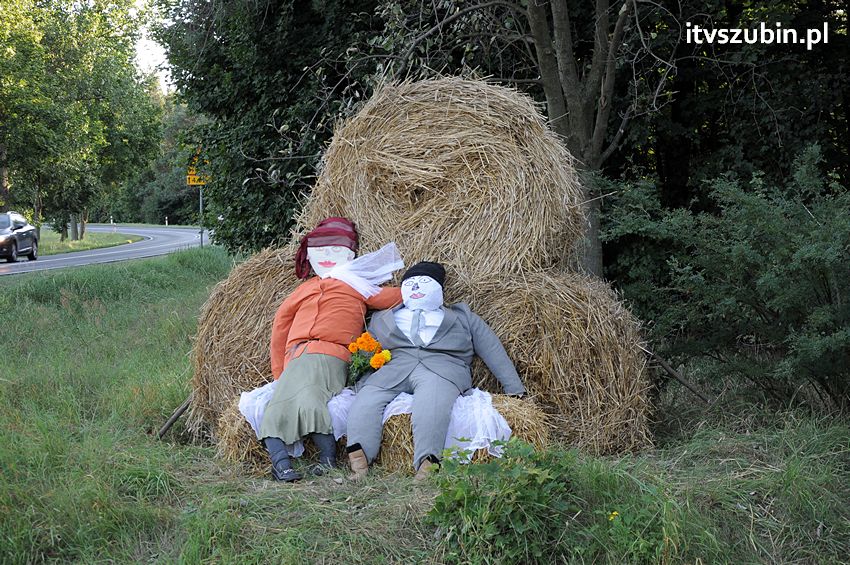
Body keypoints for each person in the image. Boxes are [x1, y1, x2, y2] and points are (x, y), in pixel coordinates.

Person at [345, 261, 526, 481]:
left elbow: (491, 348)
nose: (417, 289)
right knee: (366, 401)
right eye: (411, 284)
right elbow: (366, 352)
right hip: (395, 367)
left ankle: (426, 465)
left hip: (442, 368)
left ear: (439, 289)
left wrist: (513, 387)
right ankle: (359, 462)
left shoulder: (462, 317)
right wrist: (360, 381)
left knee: (431, 404)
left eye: (424, 283)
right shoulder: (383, 318)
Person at [259, 217, 402, 482]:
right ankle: (284, 462)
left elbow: (390, 296)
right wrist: (278, 370)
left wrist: (421, 286)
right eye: (320, 251)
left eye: (335, 251)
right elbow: (281, 327)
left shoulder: (356, 286)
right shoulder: (304, 290)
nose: (327, 257)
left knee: (310, 398)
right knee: (282, 401)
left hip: (331, 354)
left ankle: (319, 460)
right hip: (297, 354)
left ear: (351, 254)